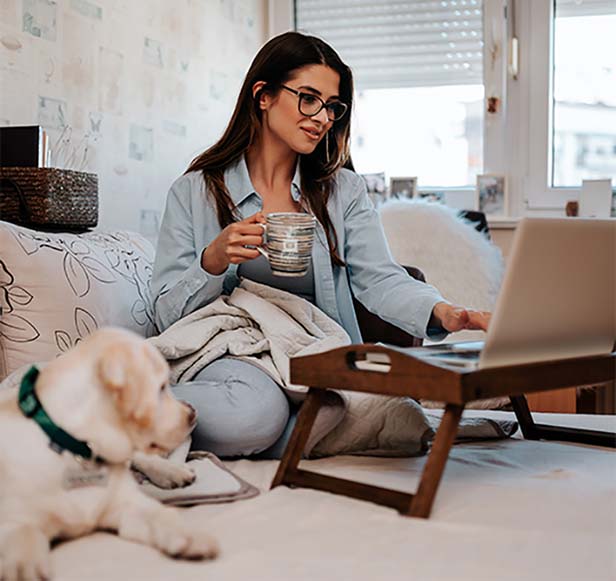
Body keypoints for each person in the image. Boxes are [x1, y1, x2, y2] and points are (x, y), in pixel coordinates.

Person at [150, 31, 490, 459]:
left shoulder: (341, 191)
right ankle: (112, 402)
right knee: (255, 418)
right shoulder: (194, 192)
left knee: (382, 415)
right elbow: (164, 314)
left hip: (315, 353)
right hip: (237, 349)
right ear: (263, 95)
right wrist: (213, 261)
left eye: (332, 106)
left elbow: (379, 279)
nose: (322, 117)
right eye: (308, 98)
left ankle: (262, 436)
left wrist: (444, 312)